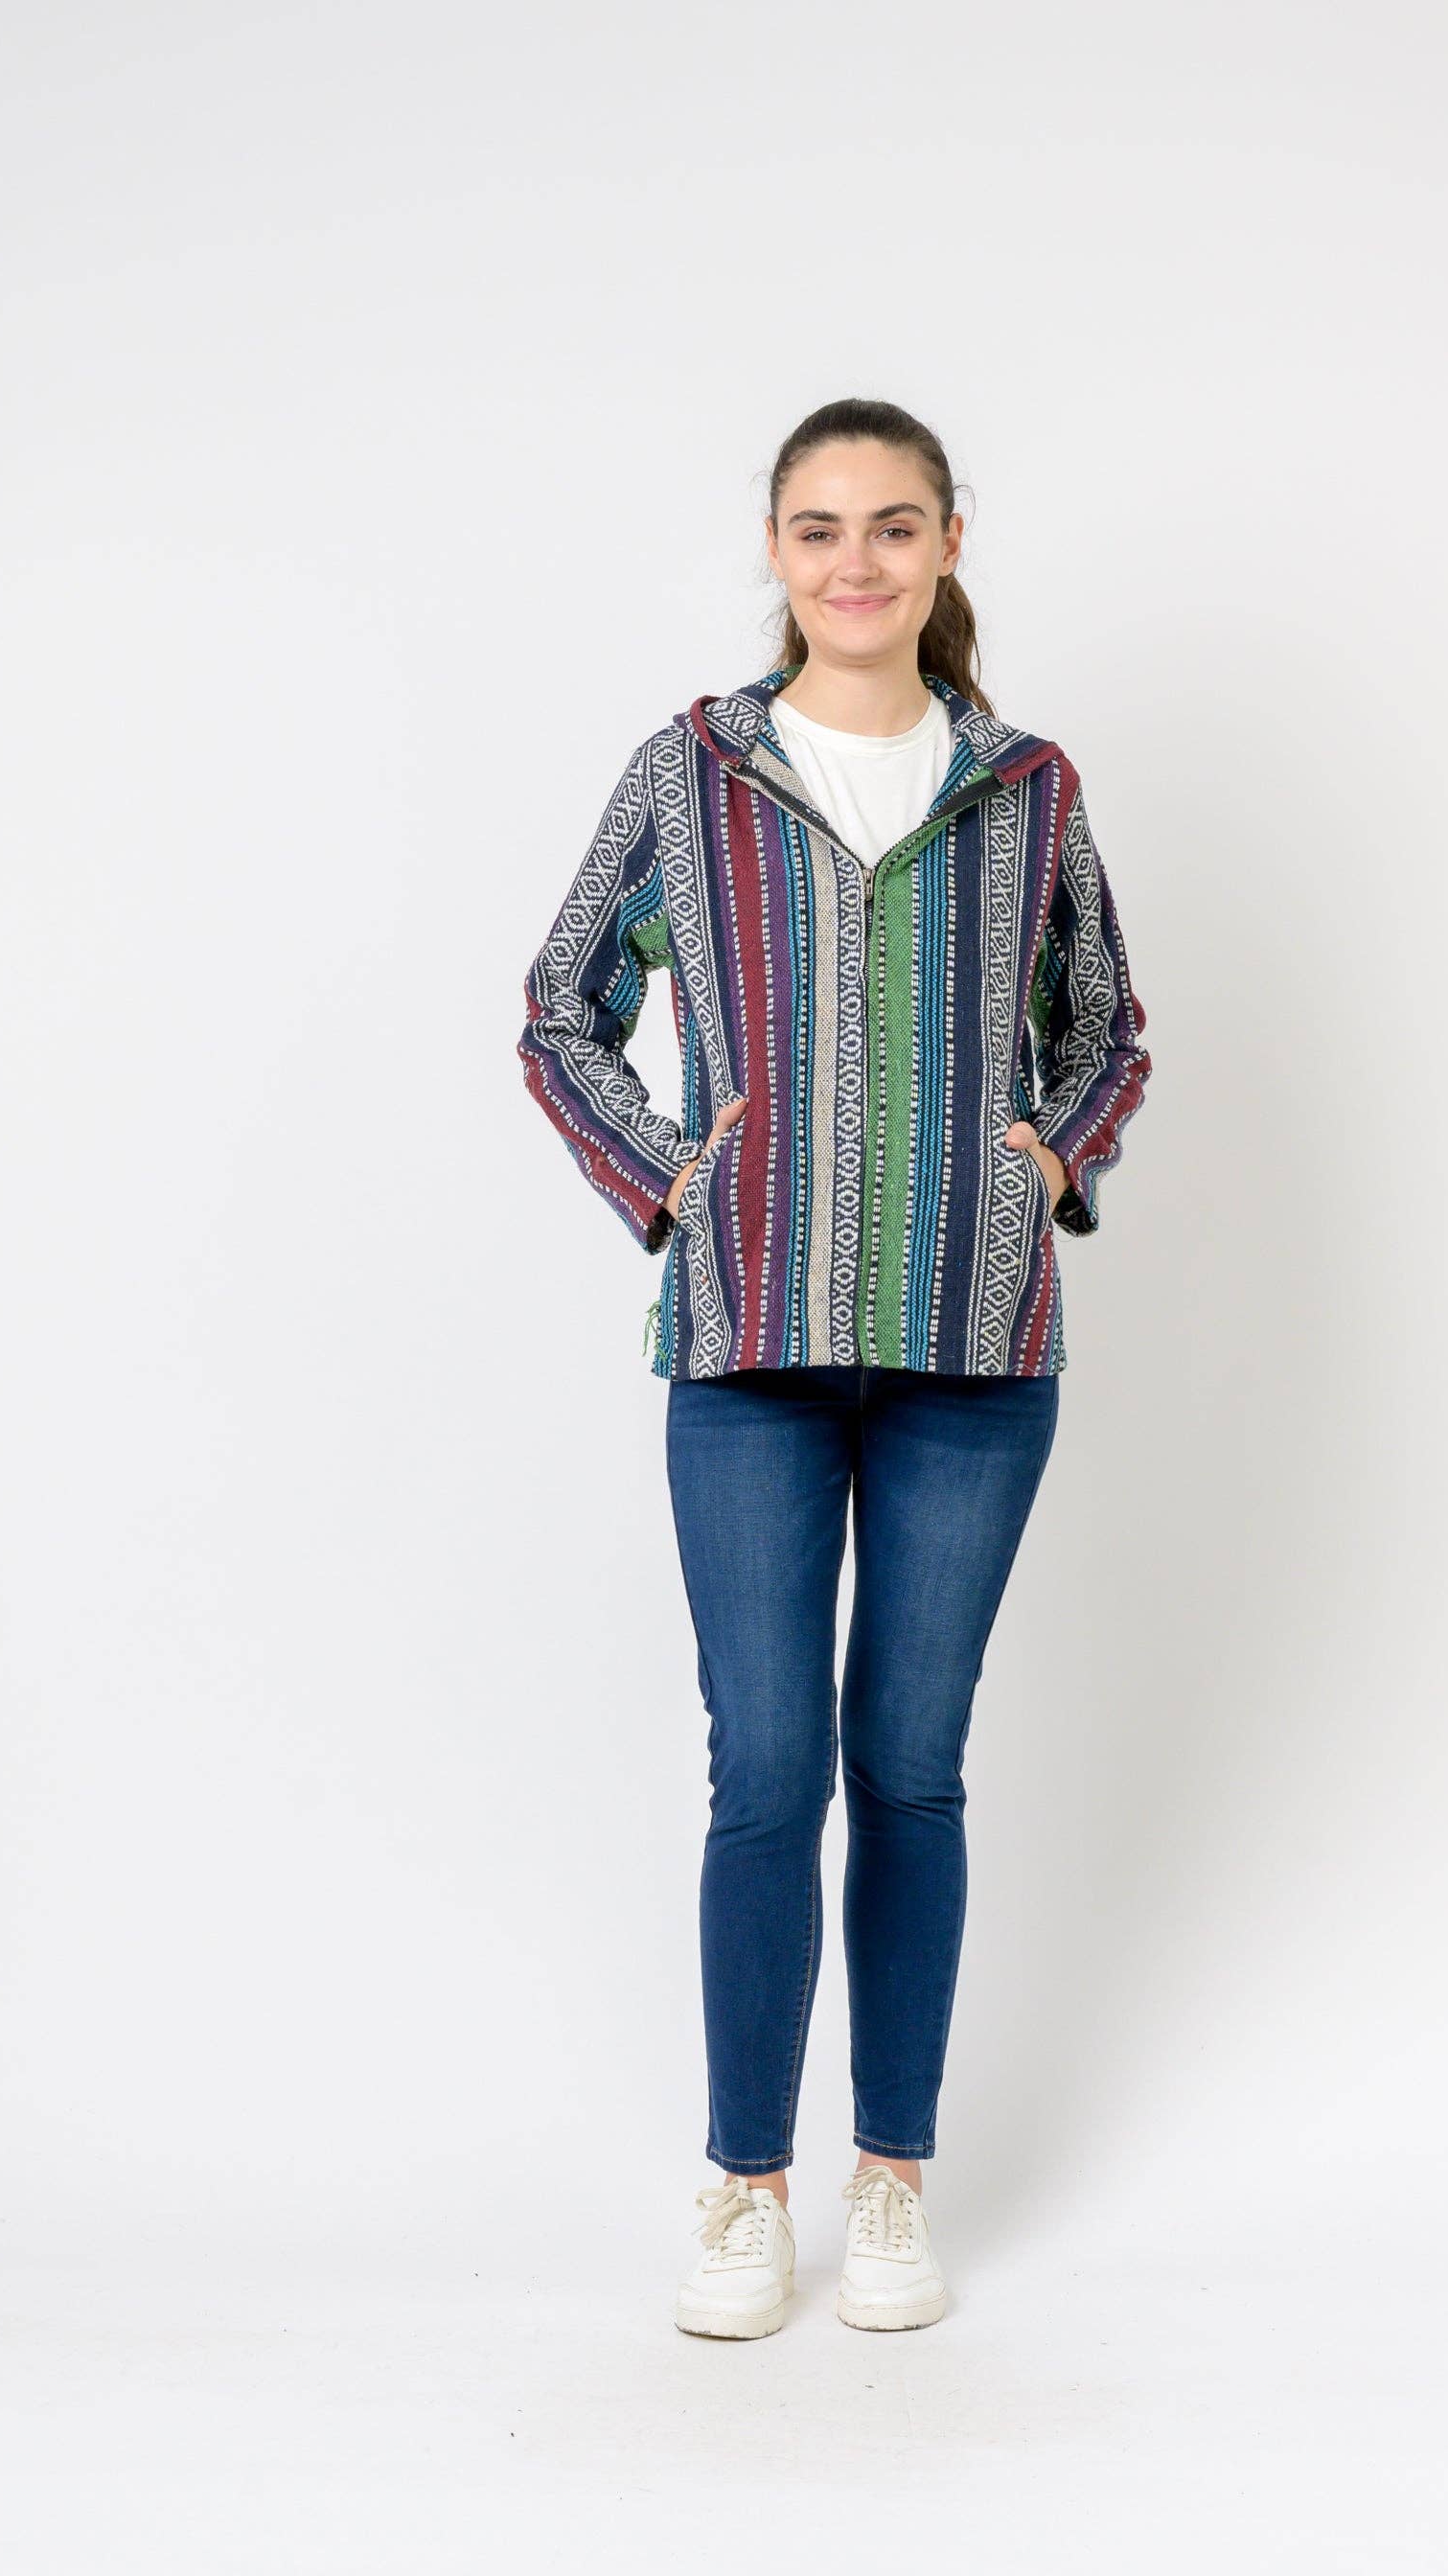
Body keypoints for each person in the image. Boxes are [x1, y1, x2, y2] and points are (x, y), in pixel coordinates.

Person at [518, 397, 1152, 2337]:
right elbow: (561, 1008)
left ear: (948, 542)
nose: (855, 562)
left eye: (890, 525)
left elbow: (1106, 1025)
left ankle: (893, 2179)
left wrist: (1049, 1156)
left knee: (911, 1765)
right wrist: (666, 1172)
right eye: (819, 528)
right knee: (769, 1767)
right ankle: (744, 2184)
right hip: (749, 1343)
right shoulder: (693, 770)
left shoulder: (1025, 784)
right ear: (777, 551)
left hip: (975, 1348)